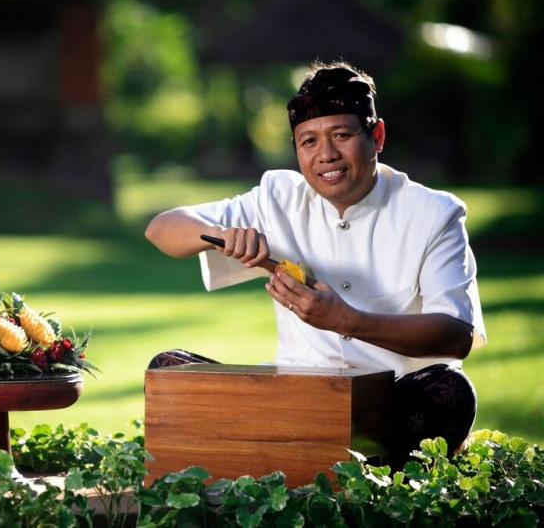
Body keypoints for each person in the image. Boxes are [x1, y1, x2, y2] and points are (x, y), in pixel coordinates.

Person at [144, 61, 486, 465]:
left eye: (342, 135)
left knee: (450, 392)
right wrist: (222, 235)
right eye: (309, 141)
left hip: (391, 407)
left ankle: (327, 466)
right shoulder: (276, 198)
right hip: (294, 404)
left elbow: (456, 335)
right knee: (168, 369)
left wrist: (347, 320)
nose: (326, 155)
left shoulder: (434, 213)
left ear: (377, 136)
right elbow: (161, 229)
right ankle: (308, 458)